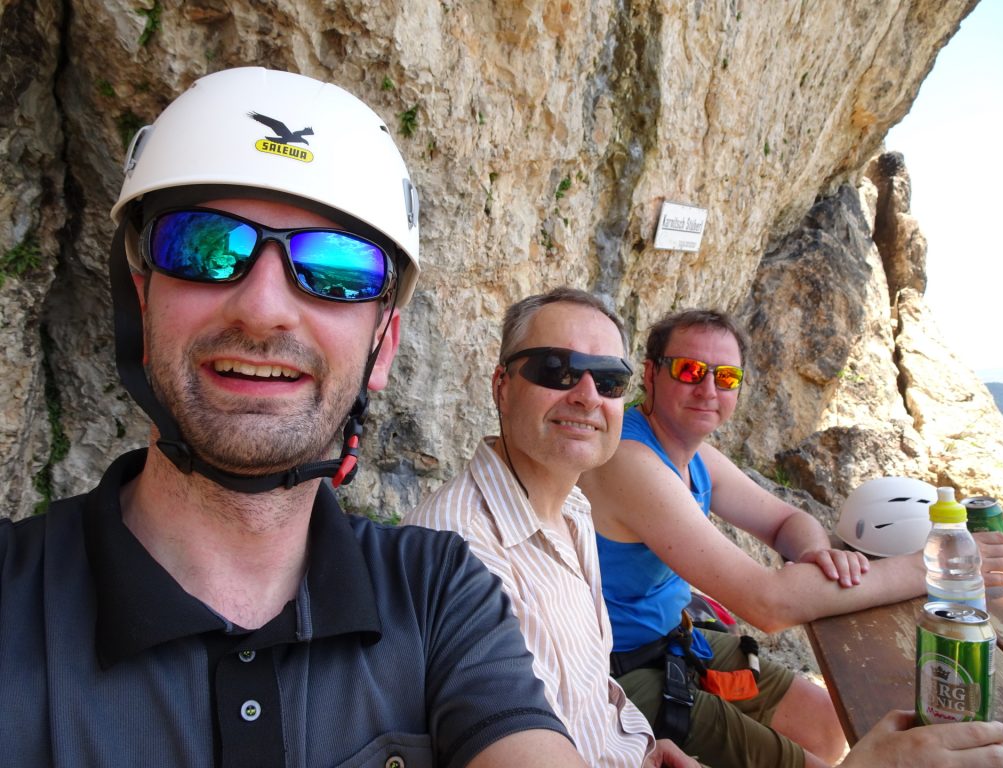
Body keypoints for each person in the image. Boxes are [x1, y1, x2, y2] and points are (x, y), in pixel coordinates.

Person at [0, 68, 588, 768]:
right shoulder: (12, 598)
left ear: (382, 349)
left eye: (335, 265)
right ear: (141, 305)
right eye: (203, 245)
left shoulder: (436, 594)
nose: (263, 307)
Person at [578, 308, 1003, 768]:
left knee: (826, 724)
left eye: (725, 376)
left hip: (675, 639)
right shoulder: (629, 459)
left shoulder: (693, 453)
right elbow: (768, 604)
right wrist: (934, 566)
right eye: (689, 371)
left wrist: (815, 554)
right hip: (619, 671)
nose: (708, 389)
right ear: (650, 374)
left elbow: (784, 520)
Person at [403, 288, 696, 768]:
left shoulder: (574, 507)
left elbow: (591, 685)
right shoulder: (458, 550)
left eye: (609, 380)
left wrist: (644, 749)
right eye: (555, 370)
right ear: (501, 385)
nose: (586, 396)